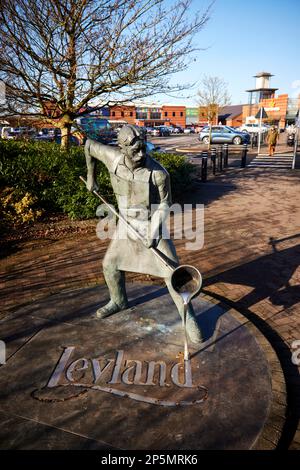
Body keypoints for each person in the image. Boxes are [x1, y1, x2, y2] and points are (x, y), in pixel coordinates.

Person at [85, 124, 202, 344]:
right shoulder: (112, 157)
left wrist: (155, 229)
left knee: (171, 273)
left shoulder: (158, 173)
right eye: (135, 150)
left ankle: (189, 317)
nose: (141, 154)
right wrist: (91, 177)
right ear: (121, 147)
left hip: (150, 225)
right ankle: (118, 301)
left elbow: (166, 204)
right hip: (125, 224)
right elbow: (89, 146)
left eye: (143, 149)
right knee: (109, 265)